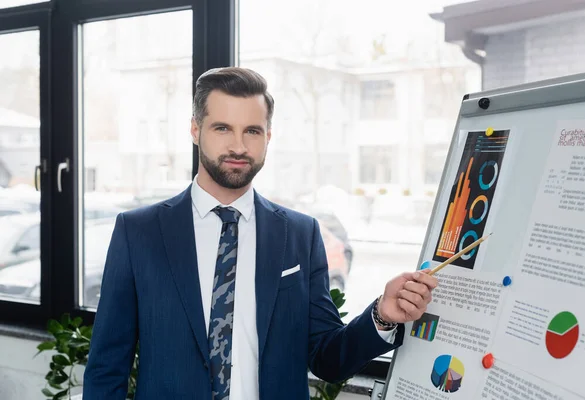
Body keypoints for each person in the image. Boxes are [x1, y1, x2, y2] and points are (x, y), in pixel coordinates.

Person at [83, 67, 438, 400]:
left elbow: (327, 360)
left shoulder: (301, 234)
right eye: (222, 128)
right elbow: (106, 367)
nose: (238, 146)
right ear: (195, 130)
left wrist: (383, 315)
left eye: (252, 131)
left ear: (267, 136)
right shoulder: (139, 232)